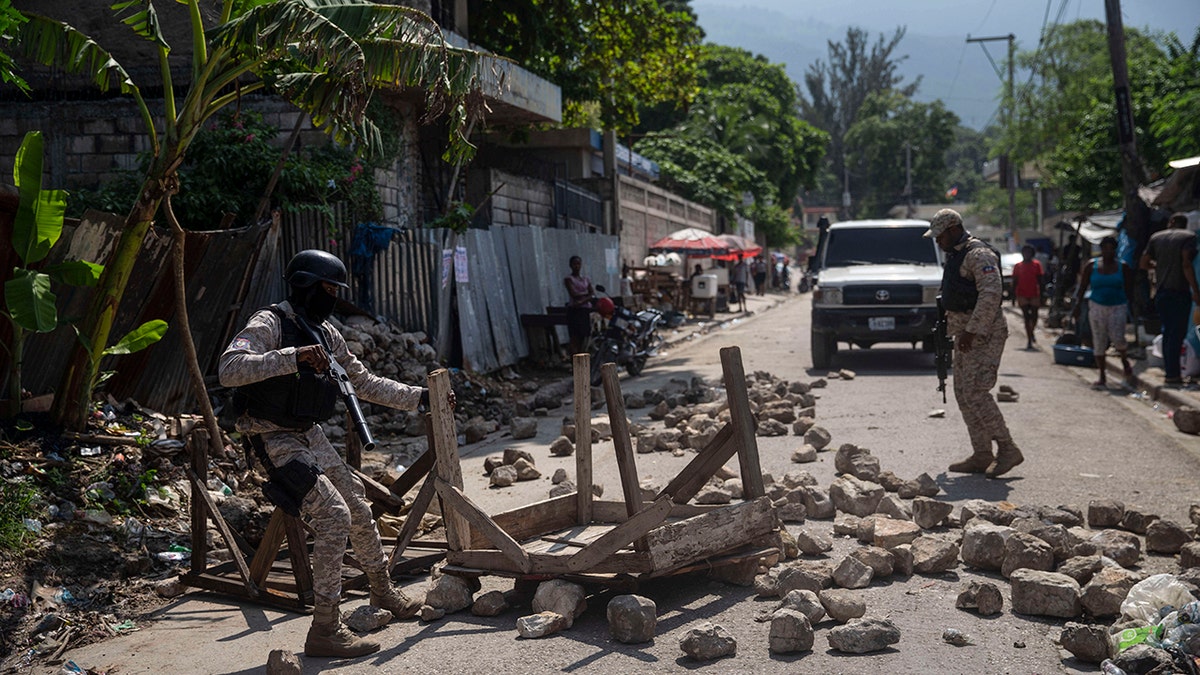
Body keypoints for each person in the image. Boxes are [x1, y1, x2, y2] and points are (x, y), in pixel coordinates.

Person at [219, 250, 455, 658]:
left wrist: (422, 398)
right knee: (334, 515)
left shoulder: (328, 334)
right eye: (327, 288)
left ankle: (383, 592)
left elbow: (364, 383)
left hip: (308, 434)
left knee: (358, 509)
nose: (332, 297)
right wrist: (292, 358)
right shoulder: (269, 323)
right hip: (270, 438)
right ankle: (325, 628)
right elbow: (230, 369)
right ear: (306, 285)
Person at [927, 209, 1023, 478]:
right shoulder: (959, 255)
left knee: (976, 392)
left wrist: (972, 330)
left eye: (940, 236)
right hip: (966, 335)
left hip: (984, 334)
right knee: (962, 392)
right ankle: (982, 454)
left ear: (954, 229)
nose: (938, 242)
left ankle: (1007, 448)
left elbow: (992, 294)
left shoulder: (979, 255)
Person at [1140, 213, 1198, 385]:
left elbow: (1143, 263)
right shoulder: (1189, 237)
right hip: (1179, 292)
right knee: (1176, 333)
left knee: (1167, 332)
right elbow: (1186, 263)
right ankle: (1173, 375)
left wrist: (1159, 267)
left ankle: (1170, 372)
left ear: (1170, 222)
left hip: (1162, 292)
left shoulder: (1156, 237)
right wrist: (1196, 290)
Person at [1075, 236, 1134, 389]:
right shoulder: (1091, 266)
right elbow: (1082, 288)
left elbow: (1129, 289)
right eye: (1105, 248)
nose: (1108, 251)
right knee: (1099, 340)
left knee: (1118, 337)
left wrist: (1133, 308)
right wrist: (1077, 306)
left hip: (1118, 306)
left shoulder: (1123, 267)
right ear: (1101, 250)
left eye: (1111, 248)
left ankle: (1124, 360)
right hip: (1096, 306)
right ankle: (1102, 375)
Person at [1011, 244, 1044, 349]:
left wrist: (1042, 295)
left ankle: (1032, 330)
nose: (1027, 254)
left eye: (1029, 252)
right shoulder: (1018, 266)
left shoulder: (1037, 265)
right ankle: (1029, 339)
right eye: (1025, 252)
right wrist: (1013, 296)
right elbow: (1015, 281)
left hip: (1034, 293)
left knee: (1034, 316)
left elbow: (1040, 280)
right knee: (1026, 317)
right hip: (1022, 294)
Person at [563, 255, 595, 357]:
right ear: (570, 265)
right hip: (574, 311)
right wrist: (586, 295)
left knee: (584, 336)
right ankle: (574, 360)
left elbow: (592, 293)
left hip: (584, 311)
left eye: (578, 264)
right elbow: (574, 294)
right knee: (574, 337)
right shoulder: (569, 279)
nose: (577, 266)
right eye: (574, 264)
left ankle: (581, 359)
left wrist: (582, 301)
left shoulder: (585, 279)